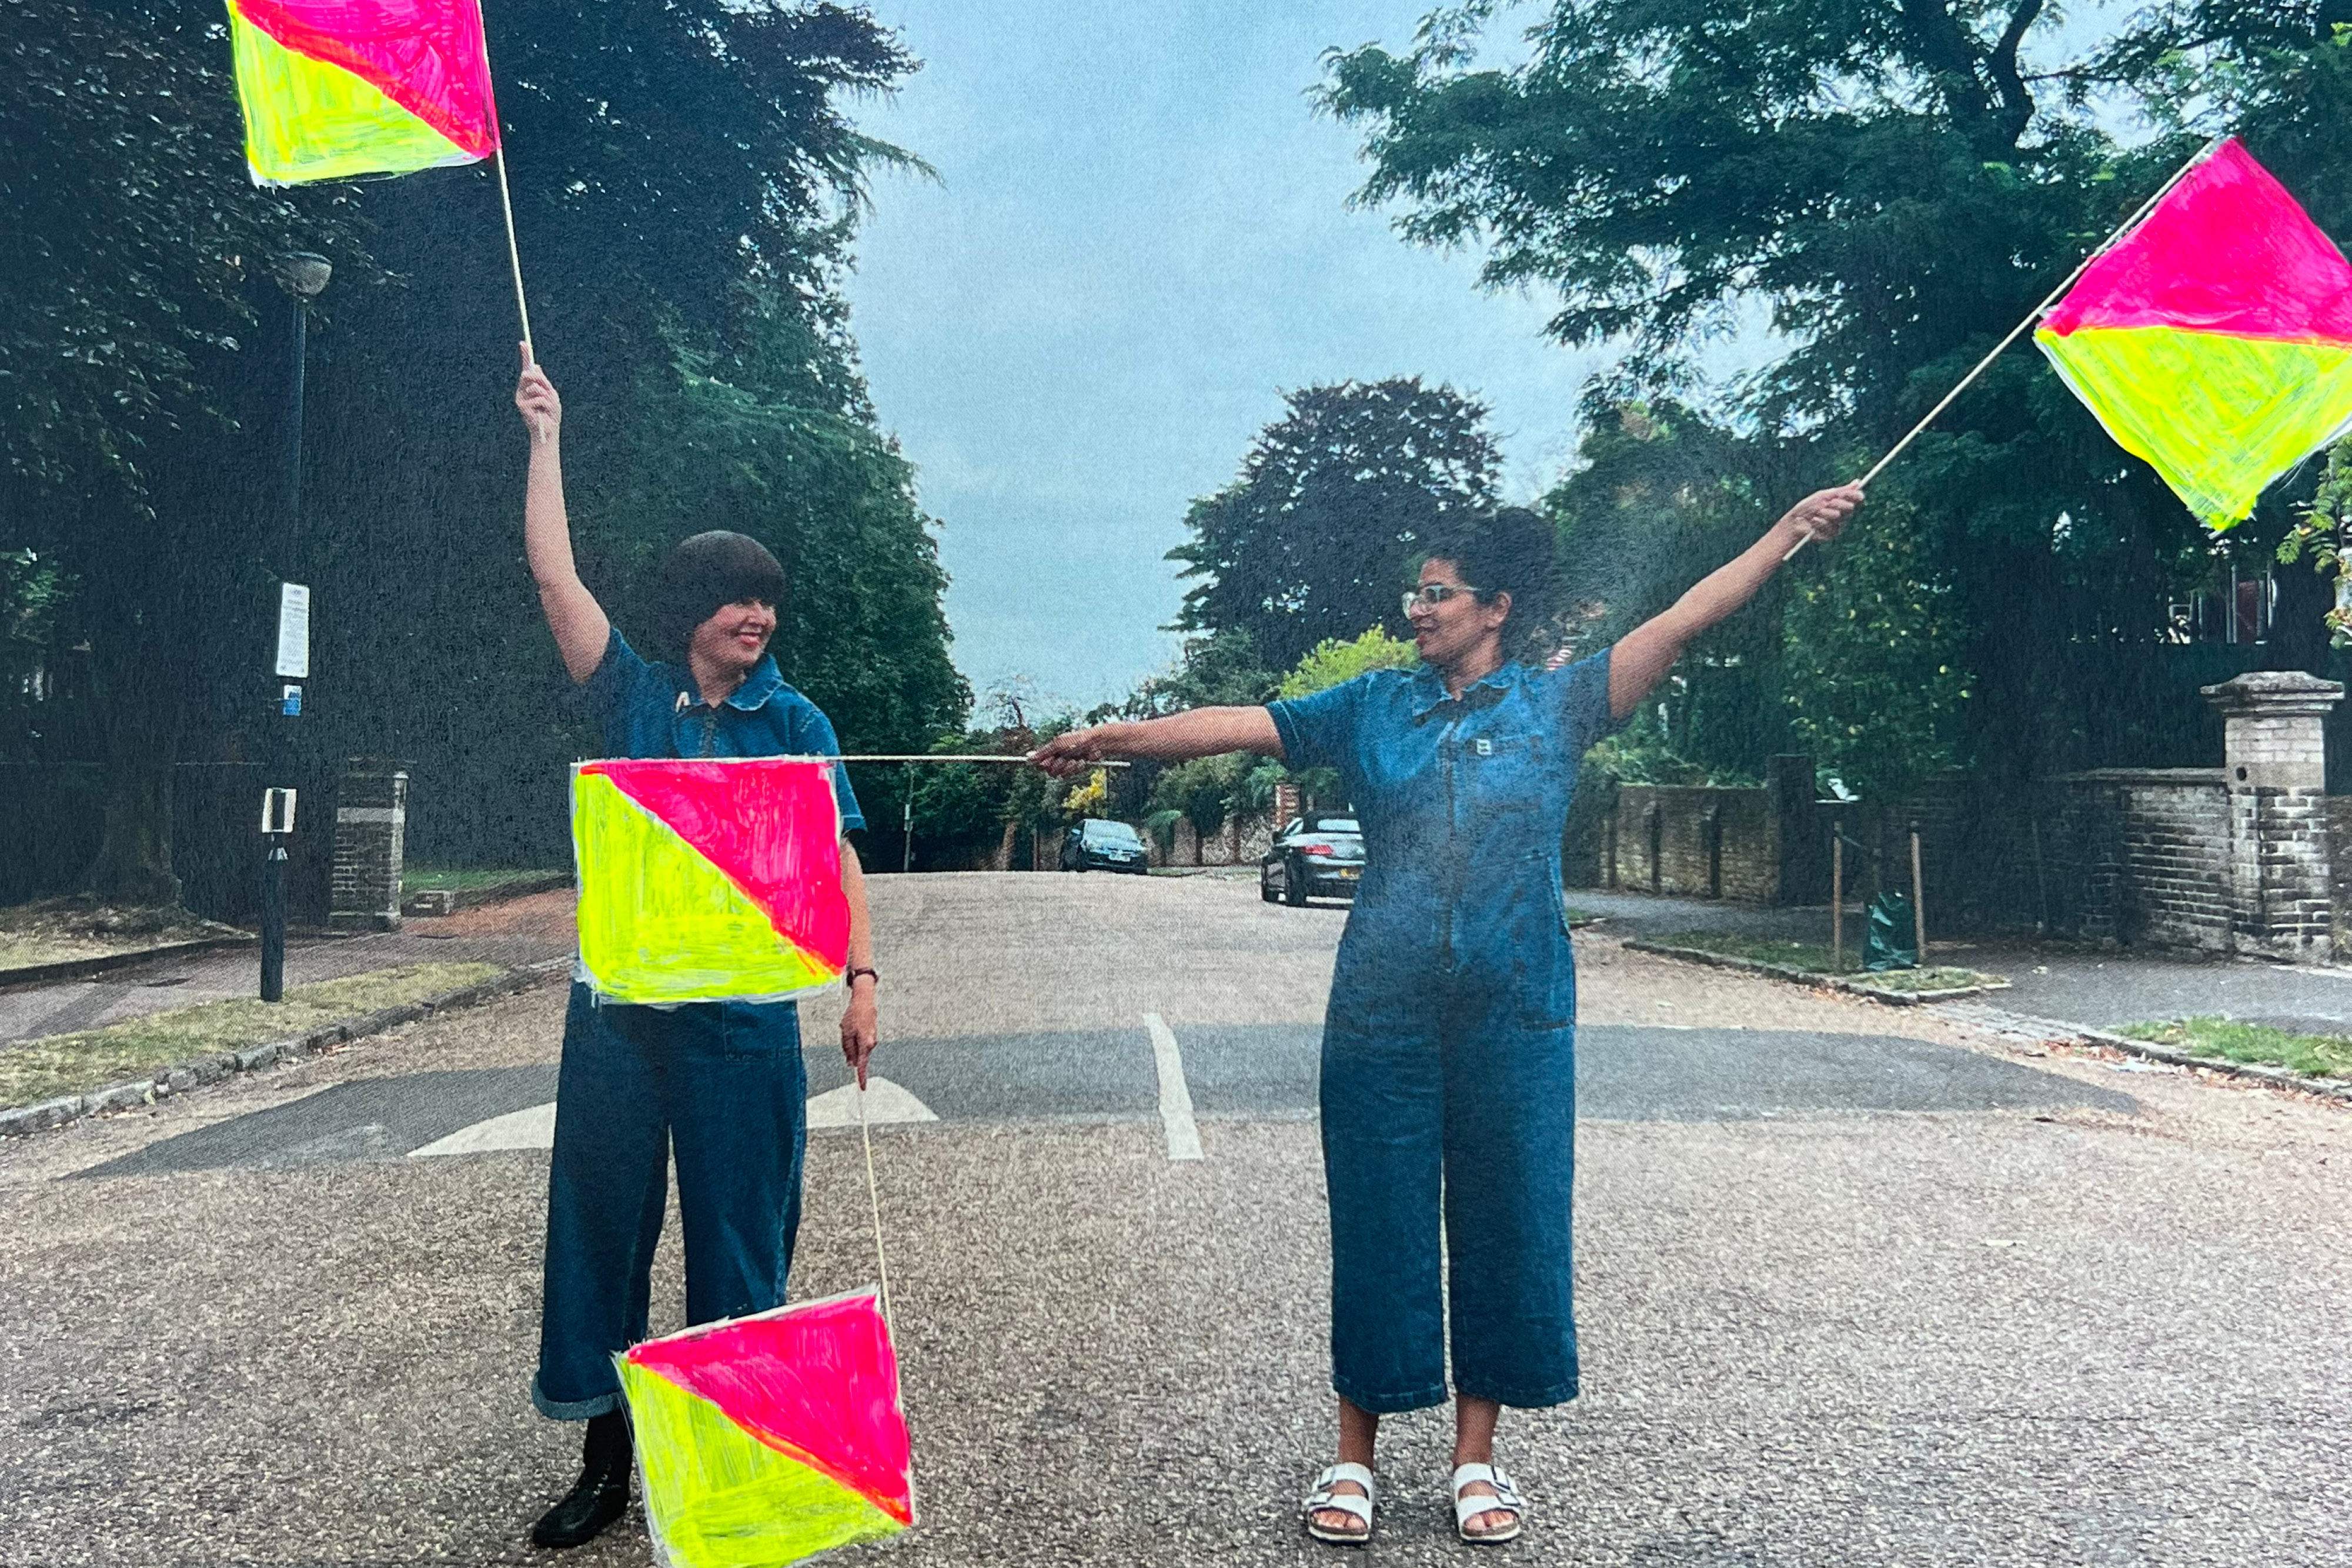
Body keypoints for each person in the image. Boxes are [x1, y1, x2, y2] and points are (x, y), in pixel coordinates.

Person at [1033, 484, 1863, 1546]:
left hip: (1516, 1012)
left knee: (1509, 1223)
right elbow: (1231, 727)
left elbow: (1689, 613)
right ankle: (1354, 1460)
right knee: (1377, 1221)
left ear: (1496, 607)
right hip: (1381, 1009)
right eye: (1415, 593)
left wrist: (1791, 531)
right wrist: (1115, 738)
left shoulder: (1560, 706)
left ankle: (1477, 1462)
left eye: (1438, 594)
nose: (1418, 610)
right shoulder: (1371, 705)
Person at [514, 346, 882, 1550]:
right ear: (692, 612)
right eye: (737, 596)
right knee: (605, 1225)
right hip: (619, 1016)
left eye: (768, 598)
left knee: (738, 1238)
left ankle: (726, 1472)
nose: (758, 613)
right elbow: (555, 573)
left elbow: (835, 861)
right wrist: (544, 437)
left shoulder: (799, 719)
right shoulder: (629, 693)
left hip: (741, 1026)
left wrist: (860, 981)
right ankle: (609, 1453)